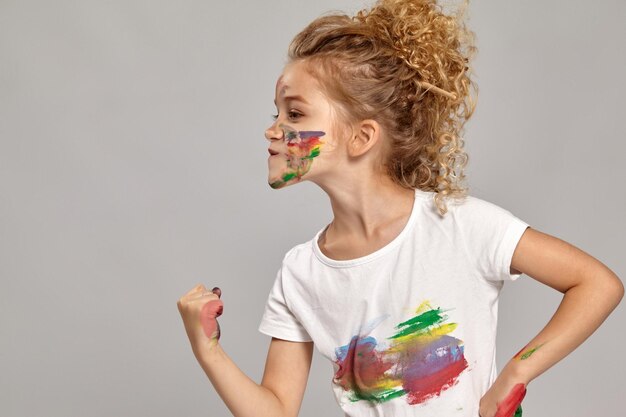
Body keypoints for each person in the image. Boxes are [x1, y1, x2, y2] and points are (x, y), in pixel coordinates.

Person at [176, 1, 624, 416]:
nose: (271, 131)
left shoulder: (462, 226)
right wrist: (207, 348)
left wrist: (516, 373)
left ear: (361, 137)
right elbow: (275, 409)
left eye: (294, 115)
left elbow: (596, 284)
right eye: (276, 113)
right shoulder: (300, 272)